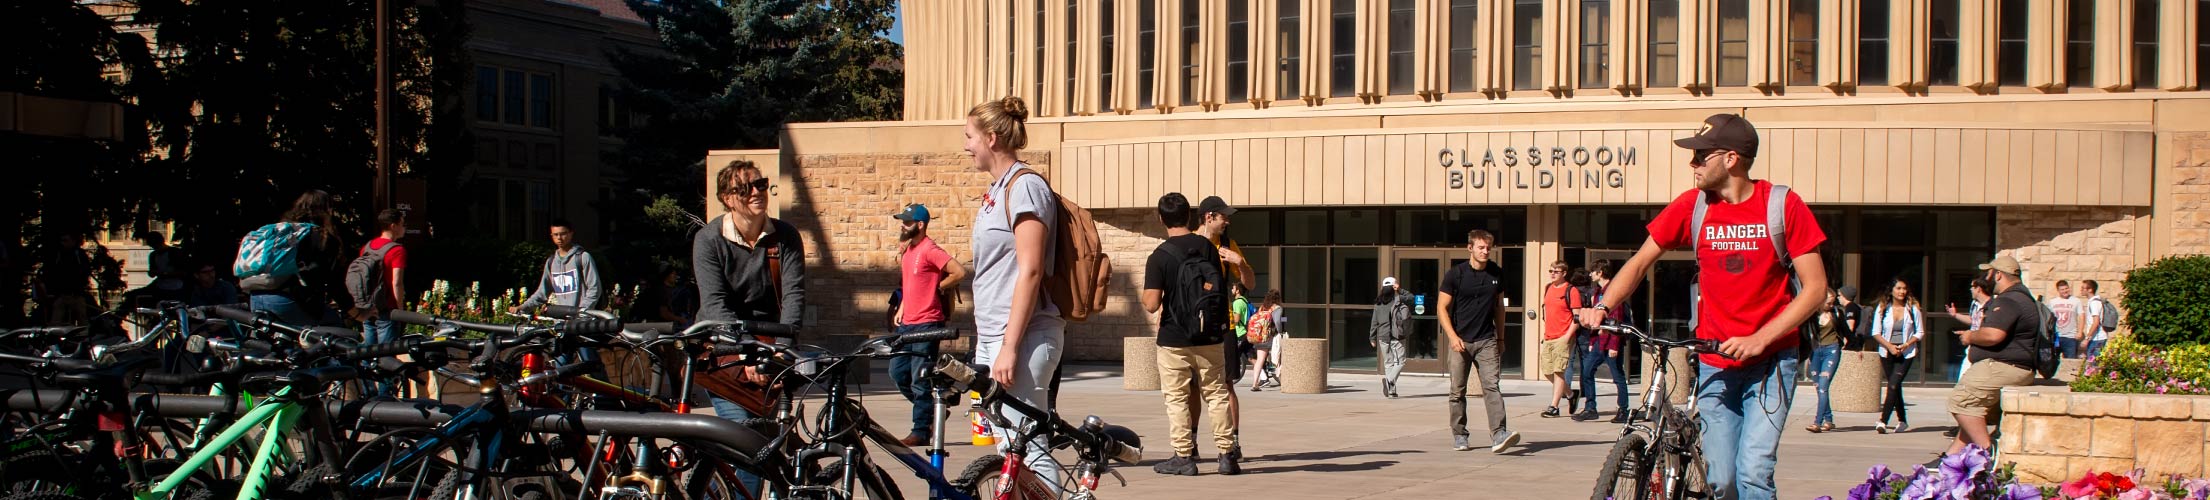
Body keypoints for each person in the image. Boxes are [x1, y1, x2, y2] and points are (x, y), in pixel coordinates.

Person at [1577, 113, 1830, 500]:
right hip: (1713, 360)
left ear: (1731, 159)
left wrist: (1759, 339)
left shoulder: (1781, 205)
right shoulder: (1693, 207)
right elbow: (1641, 261)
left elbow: (1815, 290)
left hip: (1772, 362)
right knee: (1721, 480)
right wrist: (1603, 305)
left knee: (1754, 474)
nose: (1692, 164)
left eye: (1701, 156)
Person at [963, 96, 1072, 489]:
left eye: (970, 136)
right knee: (1009, 445)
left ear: (992, 138)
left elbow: (1030, 270)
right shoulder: (998, 189)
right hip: (997, 335)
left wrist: (1009, 346)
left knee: (1028, 444)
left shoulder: (1024, 188)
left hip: (1024, 339)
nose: (966, 145)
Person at [694, 159, 806, 496]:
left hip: (771, 349)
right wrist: (747, 353)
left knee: (774, 443)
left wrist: (777, 352)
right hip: (723, 352)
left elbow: (794, 295)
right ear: (728, 197)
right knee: (748, 444)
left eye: (760, 184)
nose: (756, 192)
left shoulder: (784, 236)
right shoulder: (709, 239)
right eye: (745, 188)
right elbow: (715, 306)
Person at [1143, 193, 1247, 476]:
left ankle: (1183, 456)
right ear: (1190, 216)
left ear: (1161, 219)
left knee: (1176, 398)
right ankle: (1226, 455)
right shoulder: (1208, 248)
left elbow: (1151, 304)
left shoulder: (1160, 256)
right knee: (1216, 395)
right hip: (1211, 335)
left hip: (1174, 338)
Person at [1944, 255, 2042, 457]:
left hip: (2002, 366)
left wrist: (1970, 336)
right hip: (2012, 367)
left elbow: (1993, 335)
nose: (1985, 278)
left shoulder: (2009, 300)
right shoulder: (2022, 298)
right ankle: (1951, 459)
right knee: (1972, 416)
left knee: (1962, 401)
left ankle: (1987, 453)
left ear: (1998, 275)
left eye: (1988, 273)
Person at [891, 202, 968, 447]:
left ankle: (920, 431)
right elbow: (908, 284)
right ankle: (934, 411)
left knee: (919, 379)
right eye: (902, 221)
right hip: (908, 323)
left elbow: (959, 272)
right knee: (897, 372)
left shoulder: (930, 249)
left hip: (927, 324)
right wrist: (902, 307)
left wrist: (937, 287)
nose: (903, 225)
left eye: (907, 222)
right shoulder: (908, 250)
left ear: (921, 225)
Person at [1441, 229, 1522, 453]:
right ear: (1470, 248)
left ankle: (1499, 434)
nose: (1486, 251)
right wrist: (1452, 337)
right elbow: (1441, 308)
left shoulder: (1496, 273)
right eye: (1481, 247)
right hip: (1461, 340)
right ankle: (1460, 435)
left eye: (1488, 247)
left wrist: (1502, 338)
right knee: (1457, 390)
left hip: (1487, 339)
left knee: (1492, 386)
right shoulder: (1455, 274)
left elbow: (1500, 308)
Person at [247, 191, 345, 327]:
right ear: (327, 209)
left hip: (256, 297)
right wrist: (353, 310)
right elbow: (331, 279)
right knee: (335, 328)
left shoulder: (281, 231)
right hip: (288, 301)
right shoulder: (320, 237)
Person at [1574, 266, 1629, 423]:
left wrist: (1614, 345)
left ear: (1600, 273)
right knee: (1587, 371)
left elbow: (1616, 321)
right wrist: (1592, 341)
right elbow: (1595, 319)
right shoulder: (1597, 293)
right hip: (1599, 341)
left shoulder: (1613, 292)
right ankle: (1590, 408)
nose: (1590, 274)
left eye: (1593, 271)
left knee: (1618, 376)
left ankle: (1623, 410)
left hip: (1611, 341)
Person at [513, 220, 604, 314]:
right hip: (561, 321)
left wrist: (581, 312)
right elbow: (542, 293)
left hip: (580, 322)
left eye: (563, 234)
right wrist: (523, 307)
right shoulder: (551, 262)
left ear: (571, 234)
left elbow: (594, 289)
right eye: (555, 234)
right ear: (551, 236)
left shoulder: (583, 257)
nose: (559, 238)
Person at [1869, 278, 1924, 434]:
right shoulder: (1883, 308)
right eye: (1898, 288)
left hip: (1906, 353)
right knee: (1895, 387)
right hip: (1887, 352)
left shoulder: (1913, 308)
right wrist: (1890, 347)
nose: (1902, 292)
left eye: (1904, 288)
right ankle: (1902, 420)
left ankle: (1883, 421)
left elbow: (1920, 332)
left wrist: (1906, 345)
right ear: (1892, 290)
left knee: (1893, 385)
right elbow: (1876, 332)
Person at [1539, 261, 1579, 418]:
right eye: (1551, 271)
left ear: (1564, 273)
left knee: (1558, 371)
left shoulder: (1571, 290)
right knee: (1547, 371)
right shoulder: (1548, 288)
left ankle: (1554, 407)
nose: (1553, 273)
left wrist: (1567, 336)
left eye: (1556, 271)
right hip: (1549, 336)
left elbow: (1577, 316)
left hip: (1564, 337)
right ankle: (1570, 394)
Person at [1804, 288, 1845, 433]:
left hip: (1831, 350)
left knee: (1823, 386)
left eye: (1833, 303)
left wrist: (1856, 346)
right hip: (1815, 351)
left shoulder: (1837, 313)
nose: (1831, 306)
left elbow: (1846, 331)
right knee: (1818, 387)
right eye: (1828, 303)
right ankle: (1829, 419)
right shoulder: (1812, 315)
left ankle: (1817, 422)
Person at [35, 232, 95, 326]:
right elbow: (52, 272)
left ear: (73, 241)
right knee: (56, 320)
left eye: (66, 240)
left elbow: (86, 271)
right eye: (62, 241)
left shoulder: (79, 254)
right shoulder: (58, 255)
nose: (63, 243)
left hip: (76, 294)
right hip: (61, 295)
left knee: (81, 319)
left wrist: (79, 285)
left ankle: (83, 337)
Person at [1369, 279, 1409, 398]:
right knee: (1401, 361)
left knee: (1388, 363)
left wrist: (1372, 337)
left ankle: (1391, 391)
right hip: (1395, 336)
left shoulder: (1377, 304)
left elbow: (1374, 322)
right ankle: (1389, 380)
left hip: (1382, 336)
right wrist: (1400, 289)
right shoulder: (1397, 301)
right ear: (1393, 288)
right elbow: (1411, 297)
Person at [1249, 289, 1285, 391]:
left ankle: (1255, 383)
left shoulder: (1262, 307)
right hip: (1270, 336)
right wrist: (1280, 332)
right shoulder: (1277, 308)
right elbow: (1278, 321)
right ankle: (1284, 382)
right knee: (1278, 358)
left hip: (1259, 337)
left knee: (1260, 360)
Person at [2046, 279, 2081, 358]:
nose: (2065, 291)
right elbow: (2048, 317)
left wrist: (2080, 332)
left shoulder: (2076, 301)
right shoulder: (2052, 302)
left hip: (2070, 337)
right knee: (2053, 359)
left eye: (2066, 288)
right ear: (2058, 290)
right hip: (2056, 336)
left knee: (2071, 361)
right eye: (2062, 289)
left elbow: (2081, 316)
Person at [2080, 280, 2115, 358]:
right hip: (2095, 338)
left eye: (2083, 288)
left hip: (2097, 338)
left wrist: (2087, 338)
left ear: (2090, 290)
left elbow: (2096, 322)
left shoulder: (2094, 303)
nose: (2081, 290)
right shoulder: (2093, 302)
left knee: (2093, 366)